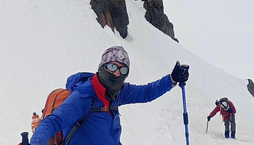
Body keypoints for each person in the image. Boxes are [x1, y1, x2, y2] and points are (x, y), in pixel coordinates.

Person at [30, 46, 189, 145]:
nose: (117, 73)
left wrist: (172, 79)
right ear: (102, 67)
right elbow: (53, 122)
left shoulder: (119, 92)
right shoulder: (84, 96)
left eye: (123, 70)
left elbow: (146, 92)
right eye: (112, 66)